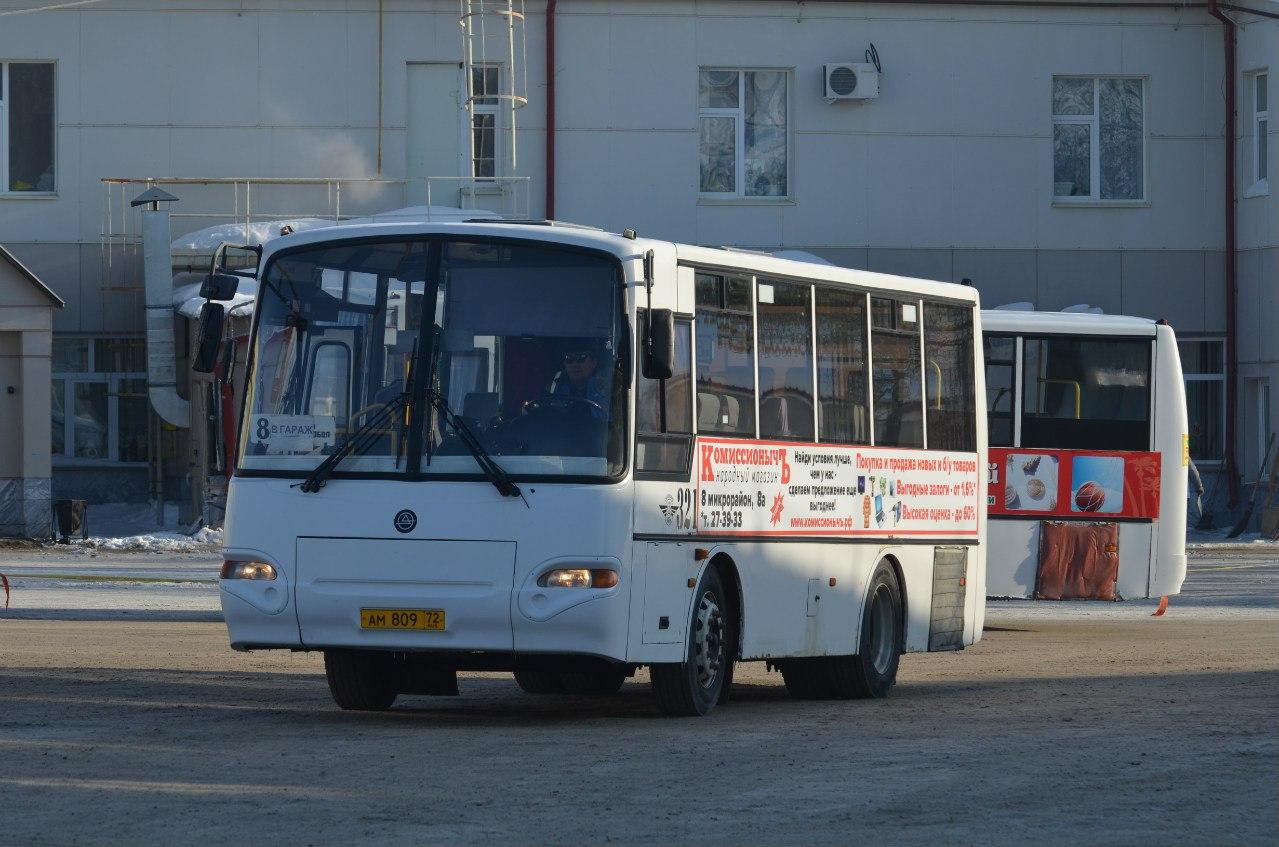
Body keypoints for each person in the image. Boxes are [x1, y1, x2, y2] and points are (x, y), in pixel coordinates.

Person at [545, 344, 610, 417]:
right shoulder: (554, 387)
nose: (575, 364)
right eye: (569, 359)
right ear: (564, 364)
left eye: (581, 358)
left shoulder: (607, 387)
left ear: (594, 362)